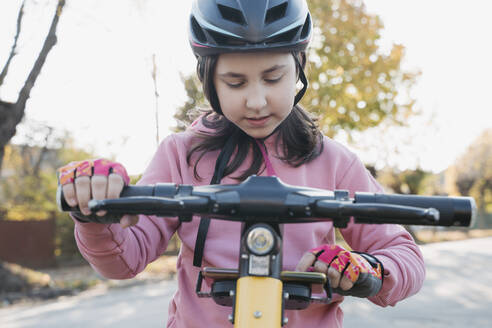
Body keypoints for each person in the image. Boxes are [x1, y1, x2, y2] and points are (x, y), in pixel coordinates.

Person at [57, 0, 425, 327]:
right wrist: (95, 215)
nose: (256, 102)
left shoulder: (334, 162)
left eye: (273, 78)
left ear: (299, 69)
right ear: (210, 82)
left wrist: (368, 270)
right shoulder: (179, 155)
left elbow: (403, 255)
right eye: (235, 82)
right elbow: (124, 260)